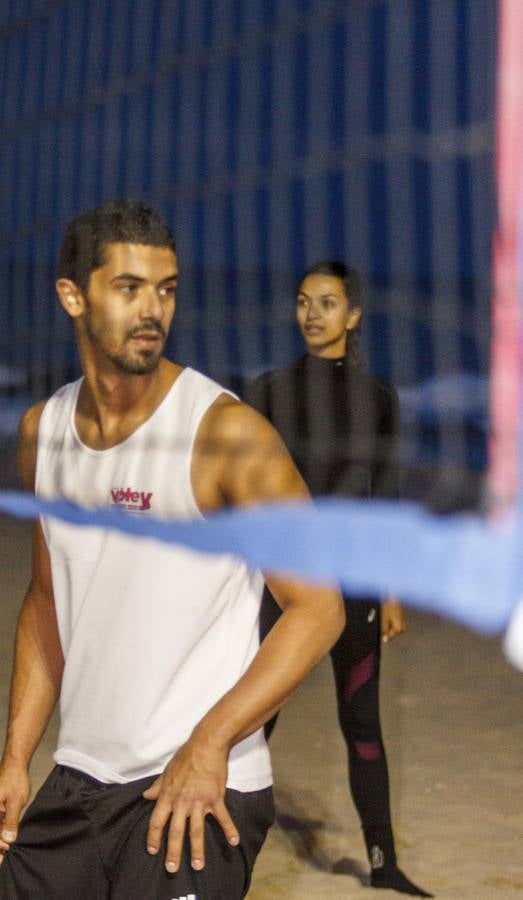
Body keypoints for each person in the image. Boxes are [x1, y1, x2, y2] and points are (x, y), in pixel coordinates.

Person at [0, 199, 345, 899]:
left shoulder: (224, 433)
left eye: (166, 290)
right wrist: (16, 759)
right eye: (129, 288)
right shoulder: (41, 432)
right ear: (72, 296)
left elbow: (316, 608)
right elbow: (47, 600)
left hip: (195, 789)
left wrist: (210, 742)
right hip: (77, 782)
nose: (152, 310)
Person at [244, 260, 432, 897]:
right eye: (302, 301)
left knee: (363, 727)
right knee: (254, 718)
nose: (312, 313)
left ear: (353, 316)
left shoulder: (379, 398)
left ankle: (384, 866)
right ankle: (219, 846)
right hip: (286, 587)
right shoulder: (267, 390)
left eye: (327, 303)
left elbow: (387, 495)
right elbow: (241, 489)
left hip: (353, 585)